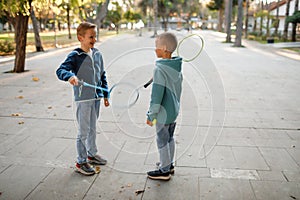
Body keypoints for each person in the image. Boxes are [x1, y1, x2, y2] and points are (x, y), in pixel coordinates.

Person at [56, 22, 110, 176]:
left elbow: (102, 75)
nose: (94, 39)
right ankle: (81, 161)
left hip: (96, 98)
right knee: (83, 131)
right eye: (91, 37)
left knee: (93, 127)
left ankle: (91, 154)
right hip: (83, 98)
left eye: (95, 36)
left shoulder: (98, 54)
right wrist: (70, 76)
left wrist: (105, 94)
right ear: (80, 38)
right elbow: (61, 70)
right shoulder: (75, 56)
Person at [146, 32, 183, 181]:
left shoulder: (160, 70)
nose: (155, 49)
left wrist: (151, 115)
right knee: (169, 138)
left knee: (162, 140)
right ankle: (169, 164)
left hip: (162, 113)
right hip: (173, 111)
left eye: (157, 46)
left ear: (165, 48)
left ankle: (164, 170)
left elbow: (156, 97)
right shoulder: (176, 67)